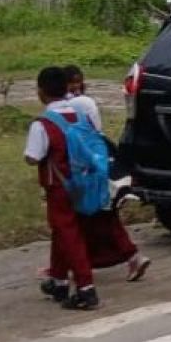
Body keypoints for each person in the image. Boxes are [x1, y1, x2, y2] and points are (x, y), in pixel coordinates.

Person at [52, 64, 149, 285]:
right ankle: (129, 257)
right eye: (71, 82)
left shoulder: (73, 105)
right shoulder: (84, 102)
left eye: (78, 82)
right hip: (99, 161)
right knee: (102, 217)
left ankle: (64, 272)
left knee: (77, 221)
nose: (75, 87)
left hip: (85, 168)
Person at [25, 66, 102, 310]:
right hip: (84, 183)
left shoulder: (43, 123)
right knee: (63, 231)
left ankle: (85, 288)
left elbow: (32, 157)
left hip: (58, 187)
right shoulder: (79, 115)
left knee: (69, 234)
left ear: (41, 92)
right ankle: (58, 281)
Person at [63, 64, 101, 131]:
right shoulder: (64, 99)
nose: (75, 85)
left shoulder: (84, 99)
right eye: (71, 82)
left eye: (78, 82)